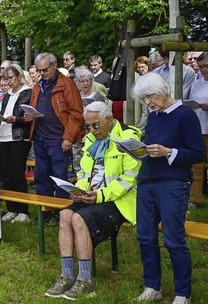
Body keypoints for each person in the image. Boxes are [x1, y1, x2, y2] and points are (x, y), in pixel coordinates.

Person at [44, 101, 141, 300]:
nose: (91, 130)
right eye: (88, 126)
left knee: (78, 219)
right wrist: (79, 190)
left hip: (119, 200)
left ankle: (86, 281)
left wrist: (100, 195)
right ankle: (67, 275)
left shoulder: (129, 137)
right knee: (64, 215)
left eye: (95, 125)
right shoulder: (91, 138)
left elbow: (129, 179)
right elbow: (84, 171)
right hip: (93, 195)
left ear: (110, 120)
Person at [131, 72, 204, 303]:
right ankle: (152, 286)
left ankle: (183, 294)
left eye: (150, 97)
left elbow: (197, 154)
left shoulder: (185, 115)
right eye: (144, 99)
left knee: (173, 239)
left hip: (173, 183)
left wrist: (168, 152)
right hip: (147, 181)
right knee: (145, 236)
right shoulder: (154, 117)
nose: (148, 103)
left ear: (163, 91)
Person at [24, 53, 84, 222]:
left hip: (58, 138)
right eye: (39, 70)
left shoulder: (67, 85)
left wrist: (68, 137)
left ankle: (62, 212)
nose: (42, 73)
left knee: (60, 176)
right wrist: (30, 117)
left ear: (54, 65)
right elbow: (35, 107)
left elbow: (76, 114)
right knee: (41, 175)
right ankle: (46, 211)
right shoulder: (37, 86)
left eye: (45, 70)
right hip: (40, 137)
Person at [0, 64, 32, 223]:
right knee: (6, 175)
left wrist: (16, 119)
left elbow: (28, 117)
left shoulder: (27, 93)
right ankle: (11, 208)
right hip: (3, 137)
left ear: (19, 76)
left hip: (19, 137)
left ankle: (23, 210)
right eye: (6, 79)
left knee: (18, 174)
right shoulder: (7, 95)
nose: (8, 82)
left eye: (10, 78)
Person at [189, 52, 208, 209]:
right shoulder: (196, 83)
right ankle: (194, 199)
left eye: (207, 66)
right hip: (199, 128)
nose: (204, 69)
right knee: (197, 166)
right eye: (201, 67)